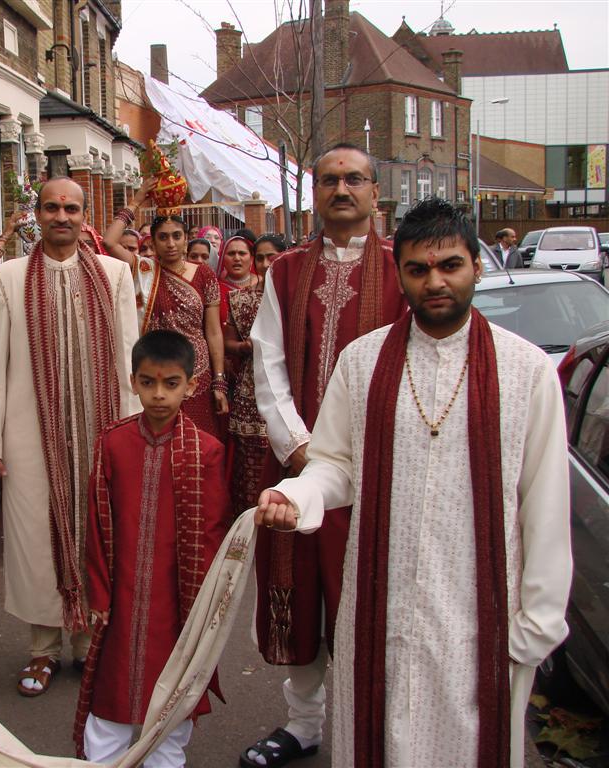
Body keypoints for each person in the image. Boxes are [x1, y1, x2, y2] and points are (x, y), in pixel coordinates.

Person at [257, 197, 571, 768]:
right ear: (399, 273)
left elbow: (545, 504)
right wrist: (296, 494)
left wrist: (539, 622)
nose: (436, 282)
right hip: (380, 607)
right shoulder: (362, 361)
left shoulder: (525, 371)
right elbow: (334, 465)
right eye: (419, 269)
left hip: (480, 616)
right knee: (376, 737)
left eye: (450, 265)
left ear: (477, 266)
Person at [242, 143, 406, 768]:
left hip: (382, 472)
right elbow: (268, 361)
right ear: (315, 192)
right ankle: (303, 725)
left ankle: (383, 728)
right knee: (298, 590)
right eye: (331, 179)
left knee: (376, 599)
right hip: (296, 465)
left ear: (374, 191)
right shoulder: (284, 271)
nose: (343, 189)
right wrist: (301, 448)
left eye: (355, 179)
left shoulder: (402, 269)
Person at [0, 177, 140, 698]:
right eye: (52, 207)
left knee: (98, 533)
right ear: (38, 215)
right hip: (29, 434)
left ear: (83, 213)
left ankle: (89, 646)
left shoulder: (114, 274)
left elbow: (127, 357)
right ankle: (42, 650)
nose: (61, 216)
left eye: (71, 208)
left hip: (102, 429)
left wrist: (136, 433)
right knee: (33, 541)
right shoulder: (7, 278)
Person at [76, 330, 230, 767]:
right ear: (133, 381)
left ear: (191, 385)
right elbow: (97, 525)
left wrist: (203, 610)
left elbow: (213, 534)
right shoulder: (113, 442)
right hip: (119, 603)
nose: (159, 395)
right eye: (148, 383)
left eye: (170, 383)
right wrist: (99, 596)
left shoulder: (208, 451)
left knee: (171, 703)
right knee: (111, 699)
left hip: (176, 606)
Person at [138, 214, 229, 437]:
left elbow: (214, 331)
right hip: (158, 371)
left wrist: (218, 380)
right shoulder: (146, 273)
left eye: (176, 236)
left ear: (186, 239)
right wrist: (139, 198)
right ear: (153, 242)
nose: (170, 243)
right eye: (163, 237)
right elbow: (110, 241)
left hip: (198, 373)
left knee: (199, 442)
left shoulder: (204, 273)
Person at [223, 248, 271, 517]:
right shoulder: (240, 299)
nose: (265, 263)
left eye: (271, 256)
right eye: (261, 257)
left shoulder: (294, 298)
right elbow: (226, 342)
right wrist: (244, 347)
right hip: (249, 390)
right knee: (247, 467)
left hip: (285, 386)